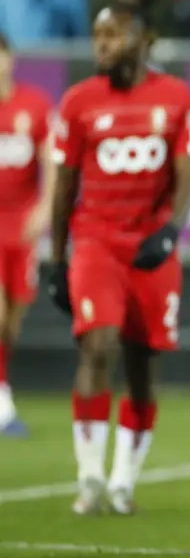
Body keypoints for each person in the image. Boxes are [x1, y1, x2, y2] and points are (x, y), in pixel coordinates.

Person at [47, 4, 190, 515]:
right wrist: (56, 260)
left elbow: (189, 169)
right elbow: (63, 187)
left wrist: (170, 231)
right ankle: (89, 475)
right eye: (98, 35)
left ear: (143, 40)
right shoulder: (79, 102)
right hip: (96, 242)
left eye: (113, 35)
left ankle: (123, 481)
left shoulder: (175, 97)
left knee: (141, 364)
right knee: (98, 345)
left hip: (150, 246)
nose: (102, 45)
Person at [0, 34, 54, 438]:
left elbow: (51, 160)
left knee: (14, 317)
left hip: (22, 225)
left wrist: (45, 207)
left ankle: (2, 384)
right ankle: (2, 400)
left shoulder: (34, 105)